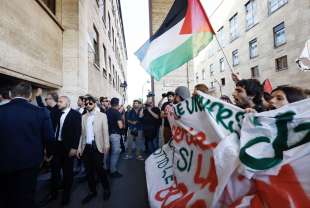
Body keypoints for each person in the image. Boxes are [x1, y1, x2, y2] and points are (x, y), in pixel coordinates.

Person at [0, 82, 54, 208]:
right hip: (30, 163)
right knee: (26, 196)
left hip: (4, 162)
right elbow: (49, 138)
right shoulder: (41, 112)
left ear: (11, 95)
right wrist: (49, 155)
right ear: (30, 95)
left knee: (5, 196)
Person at [45, 96, 81, 206]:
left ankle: (66, 196)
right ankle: (53, 194)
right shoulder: (56, 112)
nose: (58, 103)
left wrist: (74, 147)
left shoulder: (75, 115)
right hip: (56, 147)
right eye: (58, 101)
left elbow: (77, 132)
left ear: (67, 103)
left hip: (68, 148)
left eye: (61, 102)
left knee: (67, 173)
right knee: (54, 171)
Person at [77, 95, 111, 204]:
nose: (87, 105)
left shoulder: (102, 116)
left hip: (97, 147)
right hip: (86, 147)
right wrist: (79, 148)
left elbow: (105, 131)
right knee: (88, 172)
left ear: (94, 104)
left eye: (90, 103)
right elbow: (82, 134)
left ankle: (106, 189)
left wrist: (107, 145)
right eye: (86, 104)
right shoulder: (83, 117)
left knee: (100, 170)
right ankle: (92, 192)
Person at [106, 97, 124, 178]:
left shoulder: (107, 111)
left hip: (107, 134)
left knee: (108, 153)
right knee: (115, 153)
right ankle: (113, 171)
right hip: (115, 135)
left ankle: (106, 168)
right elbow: (120, 126)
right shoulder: (117, 113)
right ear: (117, 104)